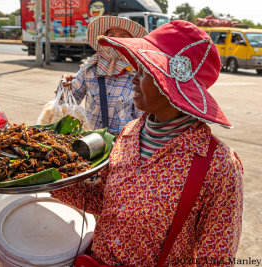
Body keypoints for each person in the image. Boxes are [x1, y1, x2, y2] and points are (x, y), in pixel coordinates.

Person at [52, 20, 244, 266]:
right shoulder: (129, 134)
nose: (133, 78)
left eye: (144, 72)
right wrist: (50, 177)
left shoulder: (218, 166)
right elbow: (103, 200)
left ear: (172, 86)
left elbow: (215, 258)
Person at [61, 16, 148, 135]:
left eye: (122, 36)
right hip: (91, 141)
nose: (115, 40)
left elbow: (141, 119)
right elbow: (69, 103)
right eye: (111, 35)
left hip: (122, 145)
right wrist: (63, 89)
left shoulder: (137, 75)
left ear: (132, 41)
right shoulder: (91, 68)